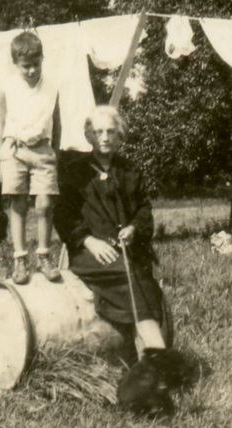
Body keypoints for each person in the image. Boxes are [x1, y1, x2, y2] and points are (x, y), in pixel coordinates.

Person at [53, 105, 166, 356]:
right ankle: (155, 348)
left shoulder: (129, 170)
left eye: (111, 132)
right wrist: (89, 241)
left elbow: (144, 210)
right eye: (98, 132)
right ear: (89, 136)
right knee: (129, 275)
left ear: (120, 136)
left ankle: (146, 354)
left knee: (140, 276)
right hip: (90, 255)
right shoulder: (75, 172)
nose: (104, 137)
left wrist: (134, 228)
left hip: (126, 249)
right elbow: (63, 215)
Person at [0, 31, 61, 285]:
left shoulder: (52, 86)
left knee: (44, 204)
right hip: (14, 150)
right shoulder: (9, 86)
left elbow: (57, 122)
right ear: (16, 65)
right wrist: (3, 154)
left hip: (43, 150)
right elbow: (1, 122)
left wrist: (53, 151)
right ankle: (20, 260)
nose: (32, 71)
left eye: (36, 64)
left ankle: (44, 255)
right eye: (26, 66)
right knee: (18, 204)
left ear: (42, 60)